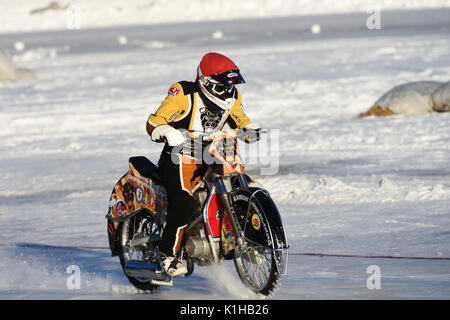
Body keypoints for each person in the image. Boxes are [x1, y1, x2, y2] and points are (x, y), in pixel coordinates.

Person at [146, 52, 261, 276]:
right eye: (224, 86)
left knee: (241, 185)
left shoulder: (232, 96)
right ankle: (167, 254)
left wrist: (248, 129)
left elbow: (239, 118)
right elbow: (154, 121)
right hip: (178, 155)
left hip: (212, 151)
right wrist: (167, 131)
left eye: (231, 86)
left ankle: (249, 239)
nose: (229, 92)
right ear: (207, 83)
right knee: (184, 202)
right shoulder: (183, 93)